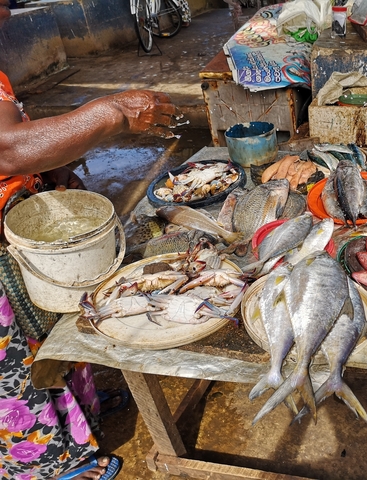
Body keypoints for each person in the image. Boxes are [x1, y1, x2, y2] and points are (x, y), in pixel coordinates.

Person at [0, 1, 182, 478]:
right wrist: (109, 114)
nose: (4, 13)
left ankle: (81, 415)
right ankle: (47, 463)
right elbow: (7, 148)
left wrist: (50, 165)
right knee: (15, 365)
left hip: (20, 224)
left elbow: (18, 136)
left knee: (53, 322)